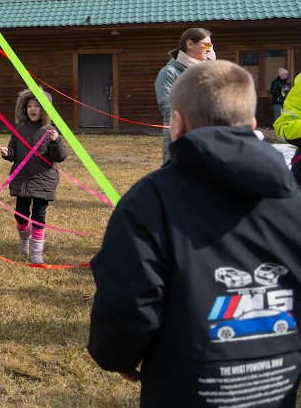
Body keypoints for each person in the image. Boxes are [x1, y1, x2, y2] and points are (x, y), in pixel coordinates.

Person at [88, 60, 301, 406]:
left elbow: (127, 295)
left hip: (185, 388)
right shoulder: (293, 199)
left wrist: (117, 355)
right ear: (251, 125)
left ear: (176, 124)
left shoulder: (149, 200)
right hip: (277, 384)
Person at [0, 89, 68, 265]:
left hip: (43, 180)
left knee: (39, 215)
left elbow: (60, 157)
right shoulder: (19, 129)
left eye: (37, 105)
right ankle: (24, 238)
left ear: (44, 109)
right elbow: (14, 151)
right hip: (22, 180)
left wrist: (56, 141)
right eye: (29, 105)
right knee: (20, 215)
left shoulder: (50, 131)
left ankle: (36, 252)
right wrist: (8, 153)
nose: (33, 109)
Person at [155, 27, 213, 164]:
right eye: (206, 45)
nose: (209, 49)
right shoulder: (169, 72)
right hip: (180, 138)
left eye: (211, 45)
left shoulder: (209, 72)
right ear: (190, 44)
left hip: (208, 137)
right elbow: (167, 107)